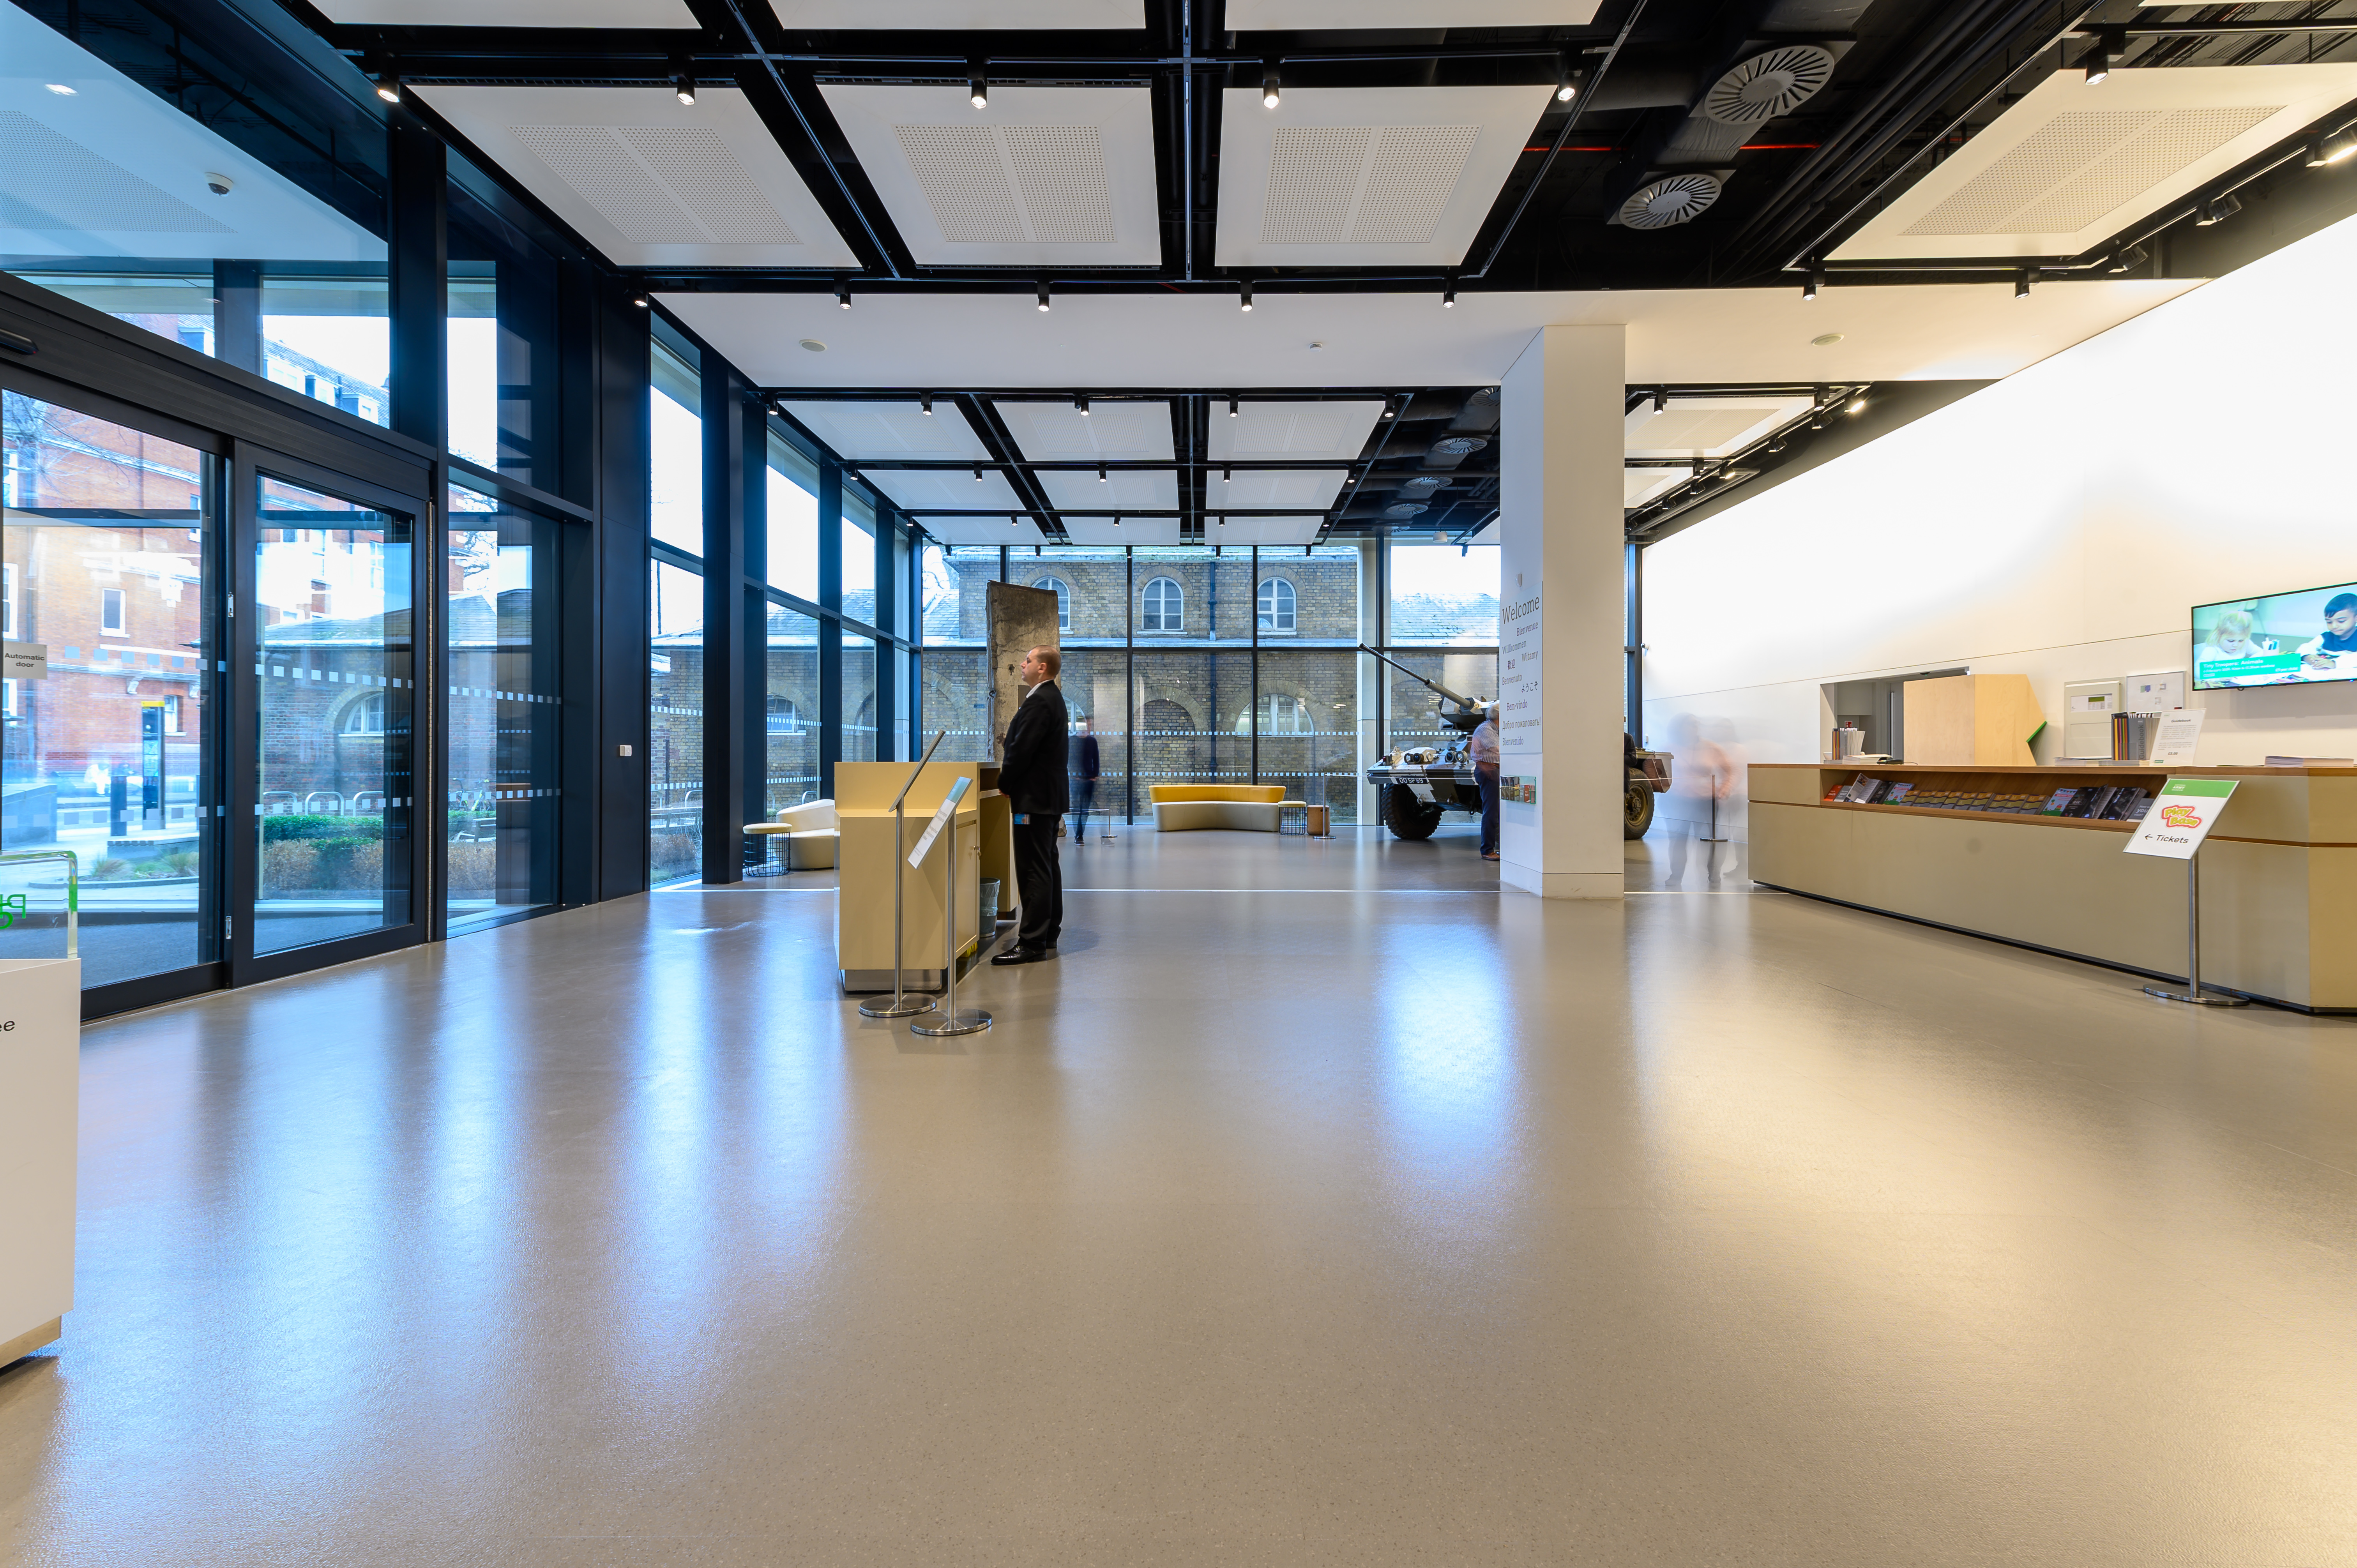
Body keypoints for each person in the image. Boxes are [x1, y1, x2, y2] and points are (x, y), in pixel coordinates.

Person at [992, 645, 1069, 966]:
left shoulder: (1040, 700)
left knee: (1033, 869)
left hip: (1033, 800)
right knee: (1047, 865)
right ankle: (1049, 932)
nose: (1021, 665)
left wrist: (1005, 783)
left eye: (1027, 660)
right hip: (1046, 799)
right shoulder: (1053, 699)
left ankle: (1033, 942)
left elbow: (1021, 750)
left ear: (1042, 668)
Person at [2297, 592, 2357, 676]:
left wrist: (2334, 663)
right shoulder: (2325, 637)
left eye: (2341, 621)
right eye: (2329, 622)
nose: (2334, 626)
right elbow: (2306, 647)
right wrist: (2307, 657)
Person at [1469, 708, 1501, 862]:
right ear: (1499, 715)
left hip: (1493, 770)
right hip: (1489, 770)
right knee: (1491, 812)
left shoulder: (1494, 729)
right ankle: (1487, 850)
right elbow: (1498, 750)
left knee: (1499, 812)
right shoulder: (1486, 729)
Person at [1069, 716, 1101, 845]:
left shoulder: (1092, 741)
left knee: (1085, 809)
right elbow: (1069, 760)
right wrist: (1074, 776)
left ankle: (1080, 834)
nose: (1089, 727)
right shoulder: (1072, 741)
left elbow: (1096, 760)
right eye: (1087, 725)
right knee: (1077, 808)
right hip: (1076, 781)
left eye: (1090, 725)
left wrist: (1094, 776)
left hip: (1088, 780)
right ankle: (1078, 835)